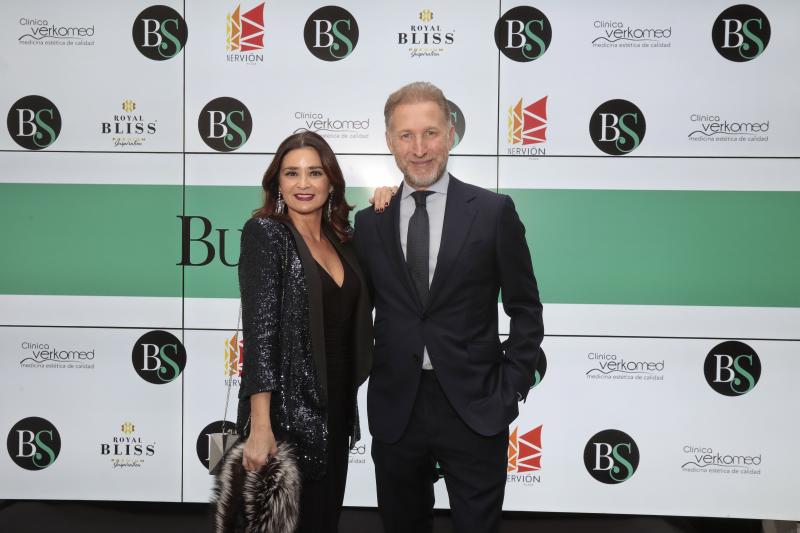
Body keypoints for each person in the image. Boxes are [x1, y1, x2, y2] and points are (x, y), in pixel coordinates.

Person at [353, 82, 545, 533]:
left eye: (431, 133)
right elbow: (357, 312)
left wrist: (510, 388)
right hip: (397, 407)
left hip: (476, 405)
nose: (419, 148)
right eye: (406, 135)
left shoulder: (493, 212)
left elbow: (525, 308)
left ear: (451, 134)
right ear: (389, 140)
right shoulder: (370, 221)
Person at [237, 131, 385, 532]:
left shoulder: (342, 241)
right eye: (292, 173)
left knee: (323, 520)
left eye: (315, 172)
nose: (303, 183)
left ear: (331, 181)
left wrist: (389, 199)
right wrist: (261, 426)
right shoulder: (266, 234)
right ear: (277, 183)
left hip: (337, 406)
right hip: (285, 414)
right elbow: (260, 333)